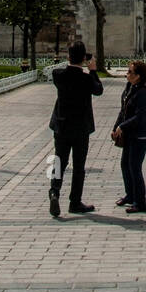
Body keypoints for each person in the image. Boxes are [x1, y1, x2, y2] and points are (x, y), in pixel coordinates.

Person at [48, 41, 103, 217]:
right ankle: (75, 202)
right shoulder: (86, 79)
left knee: (58, 161)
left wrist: (75, 63)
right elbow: (98, 90)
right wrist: (93, 70)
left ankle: (54, 191)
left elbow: (65, 70)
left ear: (68, 56)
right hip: (80, 127)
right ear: (84, 58)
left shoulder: (58, 75)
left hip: (61, 125)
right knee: (79, 166)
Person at [112, 60, 146, 213]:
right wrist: (116, 127)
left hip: (140, 136)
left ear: (138, 76)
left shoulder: (143, 93)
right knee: (125, 165)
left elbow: (140, 117)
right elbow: (123, 111)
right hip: (129, 134)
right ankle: (130, 195)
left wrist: (122, 126)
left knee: (134, 168)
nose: (127, 73)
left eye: (130, 72)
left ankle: (140, 202)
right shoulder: (129, 87)